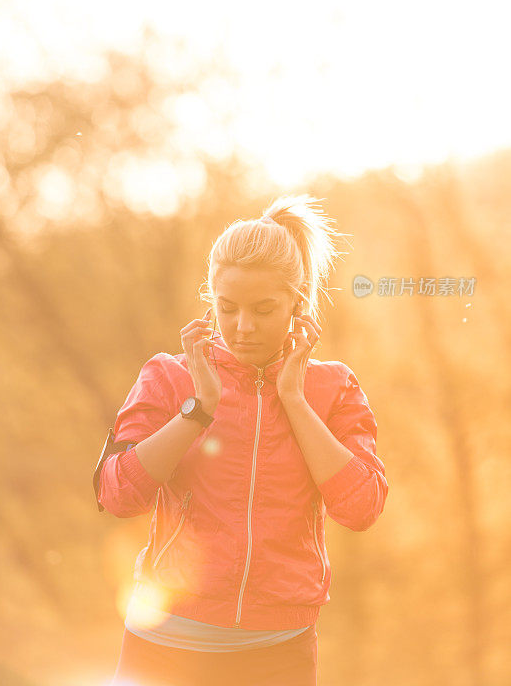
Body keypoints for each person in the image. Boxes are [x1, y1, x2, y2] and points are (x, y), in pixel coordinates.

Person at [97, 194, 388, 686]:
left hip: (279, 652)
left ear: (297, 304)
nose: (243, 326)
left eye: (264, 308)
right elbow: (117, 494)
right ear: (211, 302)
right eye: (227, 309)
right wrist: (198, 412)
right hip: (164, 646)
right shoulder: (170, 377)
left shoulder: (333, 388)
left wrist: (293, 399)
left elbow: (361, 508)